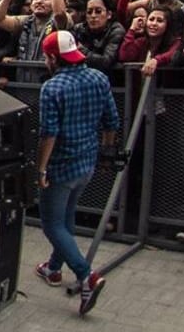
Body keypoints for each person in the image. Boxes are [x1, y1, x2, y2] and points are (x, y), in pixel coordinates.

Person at [33, 30, 119, 317]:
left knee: (52, 224)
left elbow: (49, 134)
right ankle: (54, 269)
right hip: (87, 161)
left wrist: (41, 168)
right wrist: (105, 154)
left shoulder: (52, 88)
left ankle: (86, 276)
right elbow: (111, 121)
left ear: (53, 58)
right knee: (66, 218)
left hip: (60, 166)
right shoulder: (99, 78)